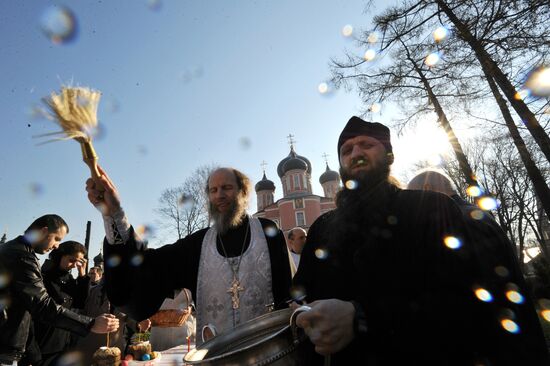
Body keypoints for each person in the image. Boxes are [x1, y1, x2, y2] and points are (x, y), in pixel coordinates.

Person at [293, 117, 549, 365]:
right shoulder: (322, 229)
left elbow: (463, 297)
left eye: (367, 145)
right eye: (347, 150)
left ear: (389, 157)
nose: (355, 152)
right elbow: (303, 292)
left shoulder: (431, 208)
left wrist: (362, 316)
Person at [85, 166, 292, 344]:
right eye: (213, 190)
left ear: (243, 192)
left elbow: (289, 294)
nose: (219, 195)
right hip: (215, 356)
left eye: (227, 188)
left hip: (268, 350)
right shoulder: (198, 244)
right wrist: (114, 213)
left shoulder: (267, 232)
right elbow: (148, 266)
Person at [0, 214, 119, 366]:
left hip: (26, 345)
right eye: (57, 238)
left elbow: (77, 300)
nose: (56, 245)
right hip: (13, 345)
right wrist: (90, 324)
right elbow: (41, 305)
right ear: (44, 231)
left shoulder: (19, 252)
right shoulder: (20, 256)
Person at [34, 241, 90, 366]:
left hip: (62, 343)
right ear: (59, 256)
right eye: (71, 260)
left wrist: (82, 276)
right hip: (42, 343)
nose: (74, 265)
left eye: (78, 261)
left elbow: (79, 303)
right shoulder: (43, 277)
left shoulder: (68, 279)